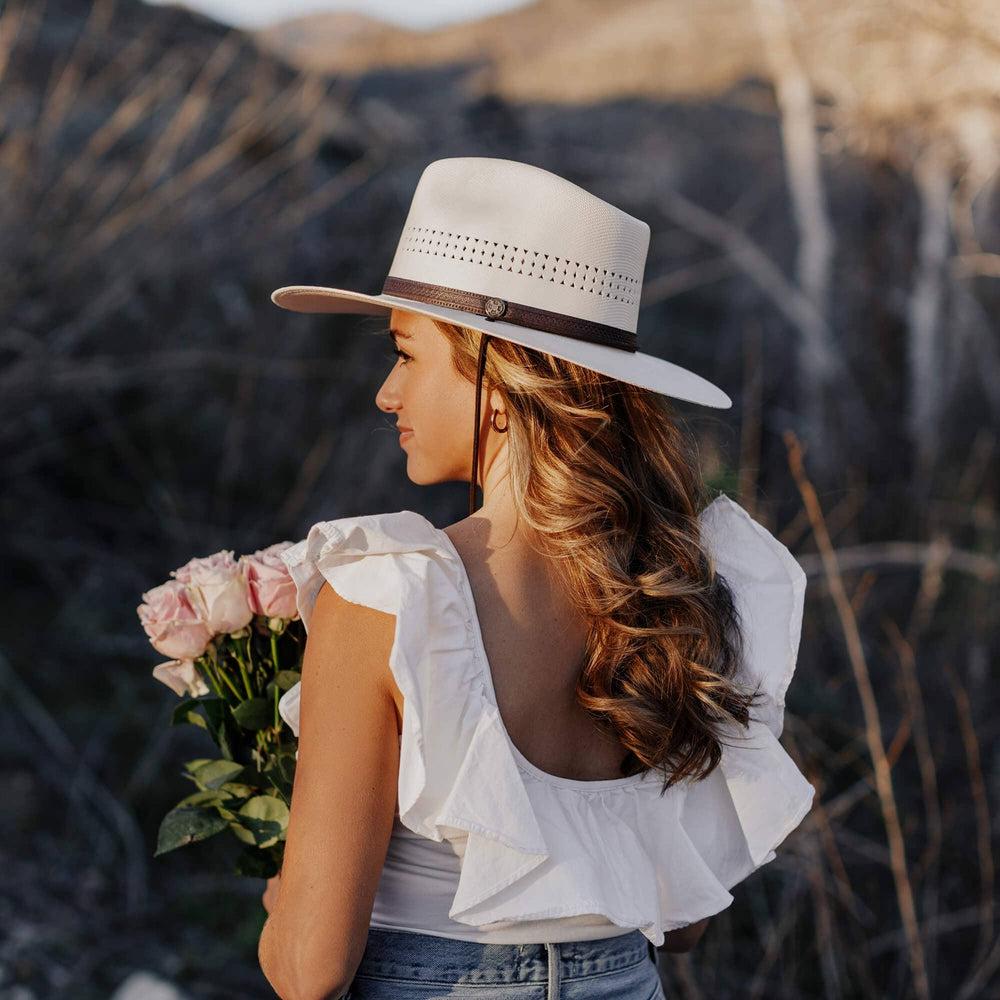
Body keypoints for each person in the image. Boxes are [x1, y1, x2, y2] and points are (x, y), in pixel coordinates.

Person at [257, 157, 815, 999]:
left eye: (407, 354)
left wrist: (282, 902)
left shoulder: (387, 597)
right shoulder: (688, 581)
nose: (386, 392)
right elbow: (687, 915)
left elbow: (309, 972)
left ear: (493, 379)